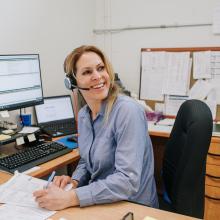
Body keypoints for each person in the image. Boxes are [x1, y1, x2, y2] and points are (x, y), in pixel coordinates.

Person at [33, 45, 158, 210]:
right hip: (102, 199)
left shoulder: (127, 111)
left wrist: (70, 197)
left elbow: (127, 181)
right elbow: (87, 159)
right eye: (87, 72)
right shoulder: (85, 115)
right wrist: (75, 181)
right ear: (72, 82)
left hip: (132, 206)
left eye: (100, 68)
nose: (97, 76)